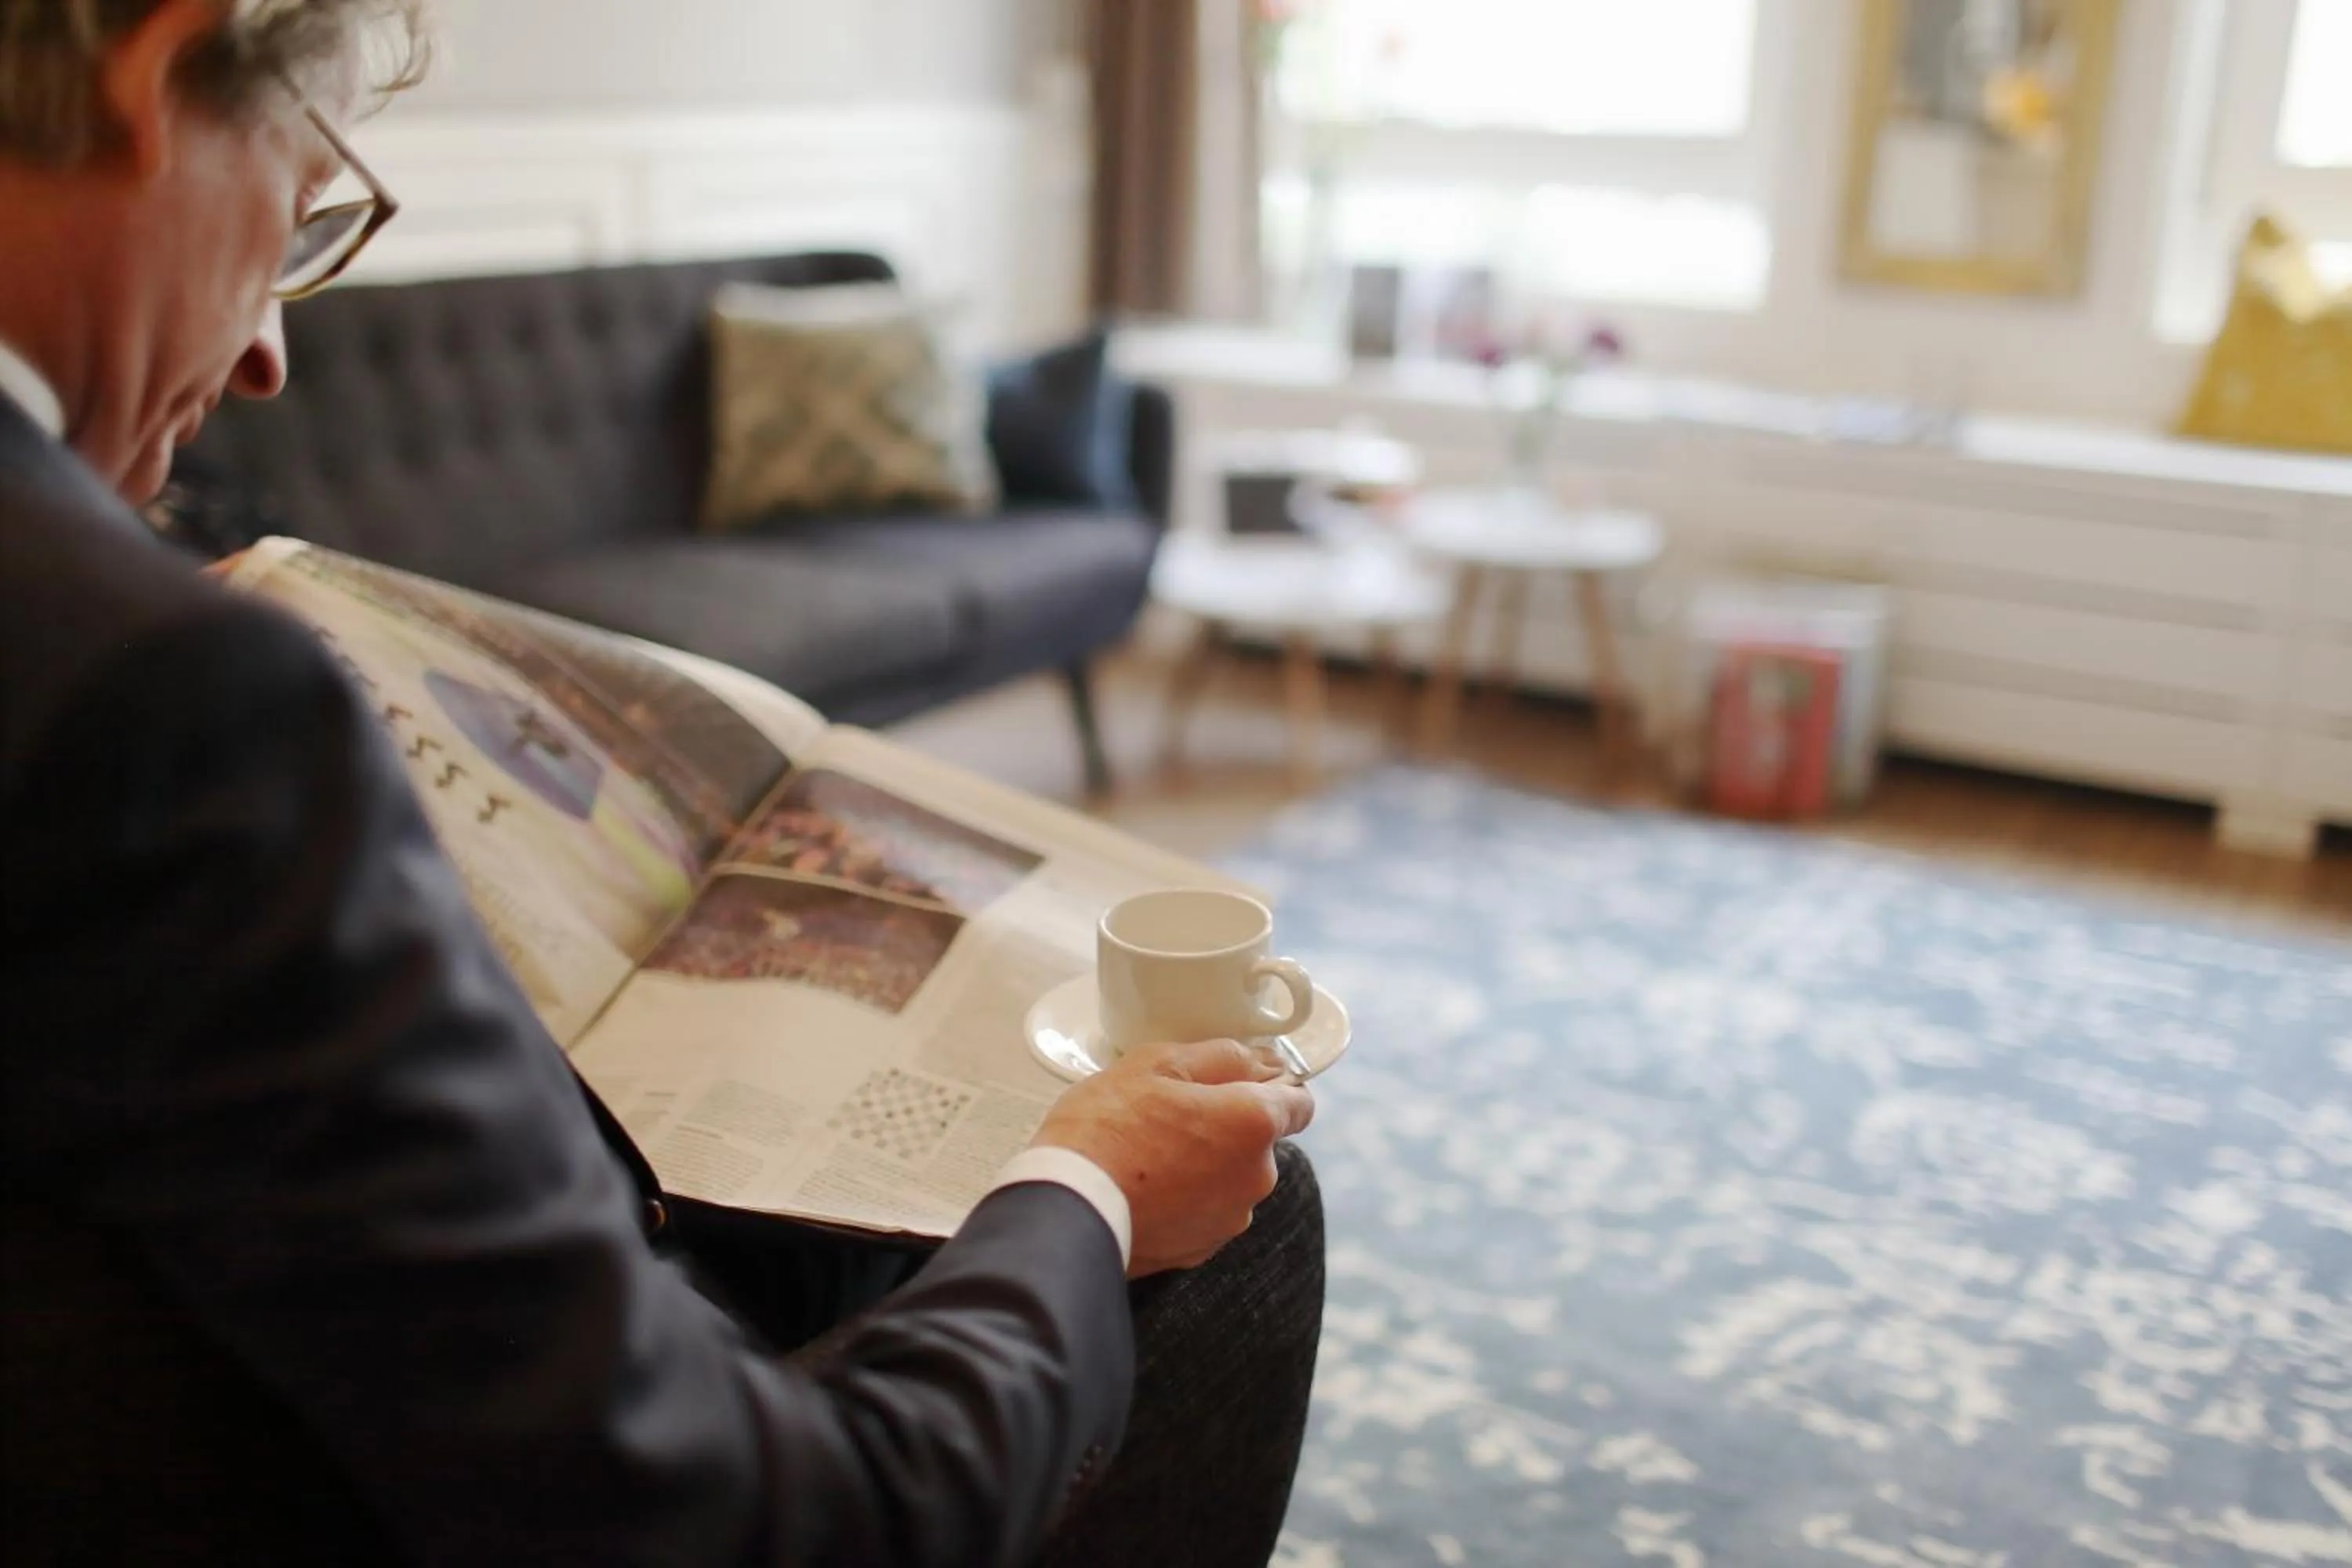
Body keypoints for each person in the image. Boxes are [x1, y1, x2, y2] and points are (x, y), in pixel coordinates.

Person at [0, 3, 1321, 1564]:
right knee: (1244, 1213)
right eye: (296, 217)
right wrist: (1087, 1186)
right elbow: (743, 1519)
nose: (270, 356)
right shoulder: (169, 702)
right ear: (160, 71)